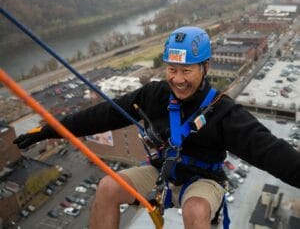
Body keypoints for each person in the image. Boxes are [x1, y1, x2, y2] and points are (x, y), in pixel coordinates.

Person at [14, 26, 300, 229]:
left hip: (203, 180)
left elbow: (269, 151)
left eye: (187, 70)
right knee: (108, 186)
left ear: (205, 67)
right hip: (161, 174)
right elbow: (102, 115)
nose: (178, 79)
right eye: (172, 70)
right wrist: (50, 130)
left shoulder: (224, 113)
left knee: (196, 210)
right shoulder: (153, 96)